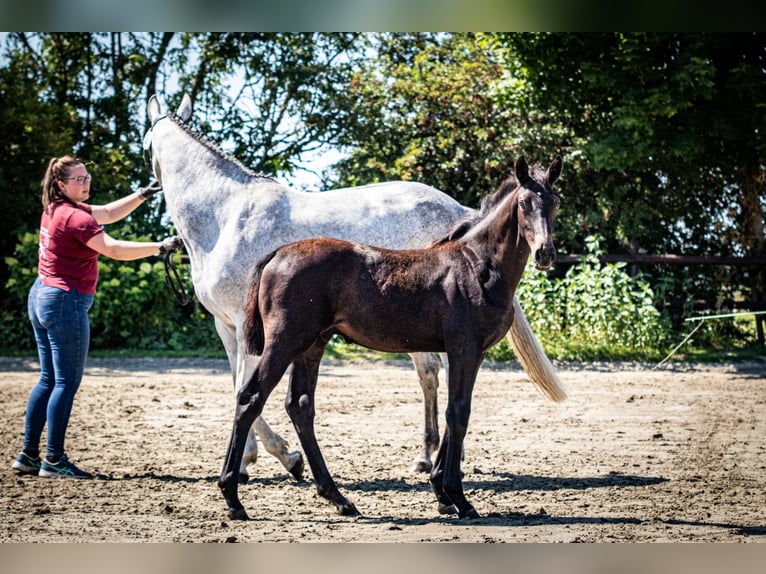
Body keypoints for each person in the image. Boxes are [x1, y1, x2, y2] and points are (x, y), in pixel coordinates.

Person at [11, 155, 183, 479]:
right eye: (79, 179)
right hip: (64, 302)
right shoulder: (75, 218)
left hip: (42, 296)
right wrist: (160, 246)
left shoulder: (56, 209)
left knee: (49, 380)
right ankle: (54, 460)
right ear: (61, 185)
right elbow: (113, 249)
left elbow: (106, 213)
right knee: (65, 383)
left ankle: (28, 455)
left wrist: (144, 193)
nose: (86, 182)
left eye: (87, 176)